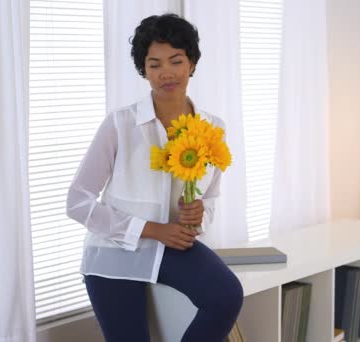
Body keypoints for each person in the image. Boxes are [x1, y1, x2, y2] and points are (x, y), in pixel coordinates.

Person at [66, 13, 244, 342]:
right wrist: (153, 230)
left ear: (191, 63)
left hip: (173, 247)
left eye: (176, 61)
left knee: (226, 296)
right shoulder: (120, 124)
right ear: (144, 71)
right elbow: (77, 202)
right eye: (154, 64)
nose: (166, 73)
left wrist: (199, 214)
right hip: (114, 252)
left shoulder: (213, 128)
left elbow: (212, 199)